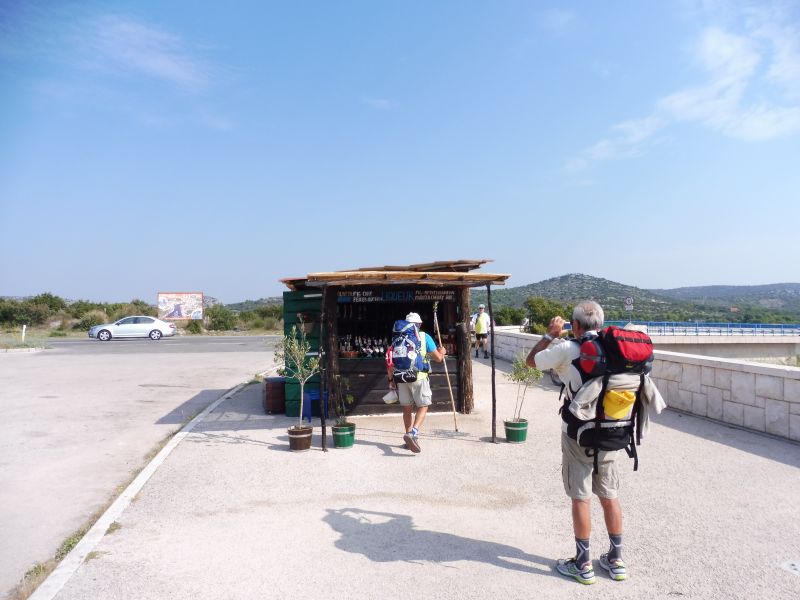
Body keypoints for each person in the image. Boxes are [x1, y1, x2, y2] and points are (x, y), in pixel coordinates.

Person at [525, 300, 626, 585]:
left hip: (579, 433)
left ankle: (583, 564)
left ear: (576, 325)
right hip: (612, 432)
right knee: (609, 495)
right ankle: (616, 560)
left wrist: (549, 335)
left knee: (581, 496)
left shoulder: (568, 349)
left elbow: (531, 362)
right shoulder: (615, 349)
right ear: (602, 325)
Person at [387, 312, 446, 453]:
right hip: (418, 377)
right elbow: (438, 358)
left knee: (407, 408)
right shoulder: (424, 337)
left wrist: (391, 380)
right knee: (424, 405)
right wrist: (442, 351)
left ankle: (408, 436)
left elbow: (390, 362)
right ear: (419, 325)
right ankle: (413, 433)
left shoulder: (397, 338)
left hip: (401, 378)